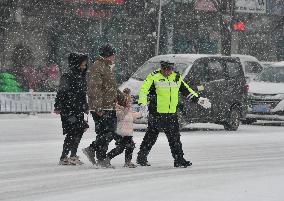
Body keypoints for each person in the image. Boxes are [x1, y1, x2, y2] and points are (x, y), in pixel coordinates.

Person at [136, 61, 211, 168]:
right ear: (161, 68)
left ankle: (179, 160)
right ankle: (141, 158)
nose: (166, 72)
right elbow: (144, 91)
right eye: (164, 69)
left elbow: (186, 91)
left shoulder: (176, 77)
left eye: (169, 69)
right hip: (156, 113)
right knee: (151, 137)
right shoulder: (153, 77)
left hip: (171, 113)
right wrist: (143, 104)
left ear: (172, 69)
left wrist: (199, 100)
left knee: (175, 138)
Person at [82, 44, 128, 168]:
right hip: (102, 107)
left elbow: (110, 88)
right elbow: (94, 88)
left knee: (104, 133)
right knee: (110, 132)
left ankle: (100, 158)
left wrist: (122, 98)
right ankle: (93, 151)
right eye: (113, 54)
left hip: (108, 105)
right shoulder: (98, 67)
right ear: (108, 55)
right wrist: (97, 107)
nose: (115, 57)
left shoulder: (106, 67)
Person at [54, 53, 89, 165]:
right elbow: (62, 92)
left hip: (78, 109)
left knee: (79, 131)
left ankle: (73, 155)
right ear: (76, 64)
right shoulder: (67, 76)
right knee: (72, 132)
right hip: (68, 109)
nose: (84, 67)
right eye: (82, 65)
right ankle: (64, 157)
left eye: (85, 65)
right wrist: (58, 106)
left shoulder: (81, 76)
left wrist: (85, 106)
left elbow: (82, 94)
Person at [104, 88, 142, 168]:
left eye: (130, 101)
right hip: (120, 132)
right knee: (121, 148)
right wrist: (125, 110)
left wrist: (140, 114)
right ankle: (107, 158)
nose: (129, 103)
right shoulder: (118, 108)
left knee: (130, 146)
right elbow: (120, 116)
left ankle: (127, 161)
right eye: (128, 101)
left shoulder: (128, 109)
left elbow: (131, 116)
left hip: (128, 132)